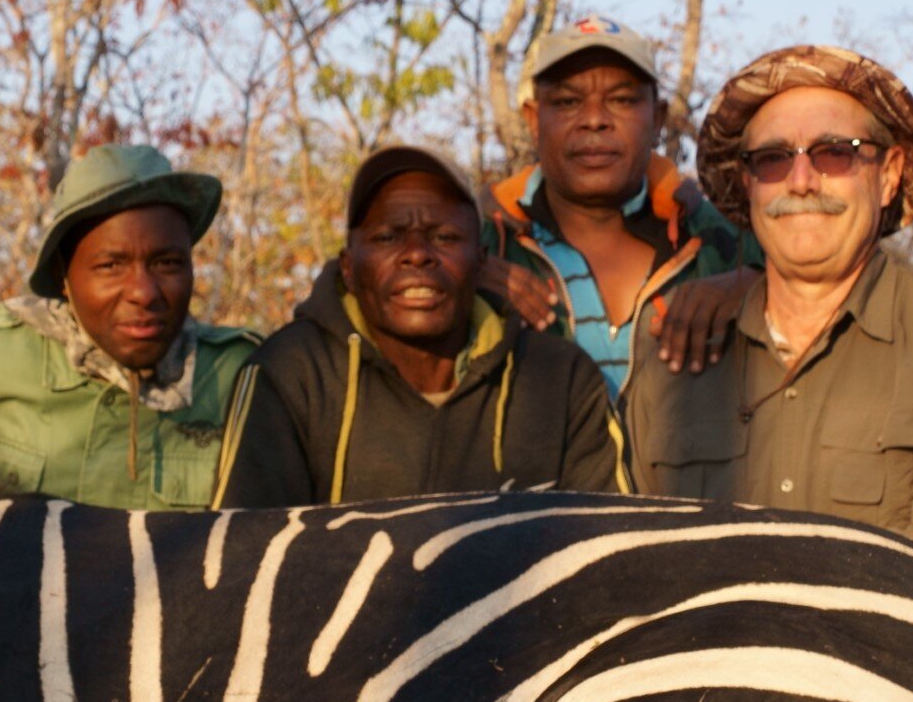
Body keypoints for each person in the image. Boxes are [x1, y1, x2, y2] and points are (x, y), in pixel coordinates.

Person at [623, 46, 913, 590]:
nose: (802, 180)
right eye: (772, 159)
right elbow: (624, 559)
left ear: (888, 174)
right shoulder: (675, 349)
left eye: (836, 153)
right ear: (747, 185)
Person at [214, 146, 621, 505]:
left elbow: (609, 553)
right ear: (349, 267)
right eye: (388, 238)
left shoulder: (562, 379)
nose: (416, 255)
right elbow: (239, 555)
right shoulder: (289, 373)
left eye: (443, 237)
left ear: (481, 262)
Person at [0, 144, 258, 509]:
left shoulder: (245, 375)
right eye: (111, 265)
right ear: (63, 275)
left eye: (168, 263)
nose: (144, 293)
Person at [484, 15, 753, 393]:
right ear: (533, 118)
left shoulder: (724, 244)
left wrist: (760, 289)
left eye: (622, 100)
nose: (594, 120)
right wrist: (457, 286)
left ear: (658, 118)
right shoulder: (481, 242)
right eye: (567, 101)